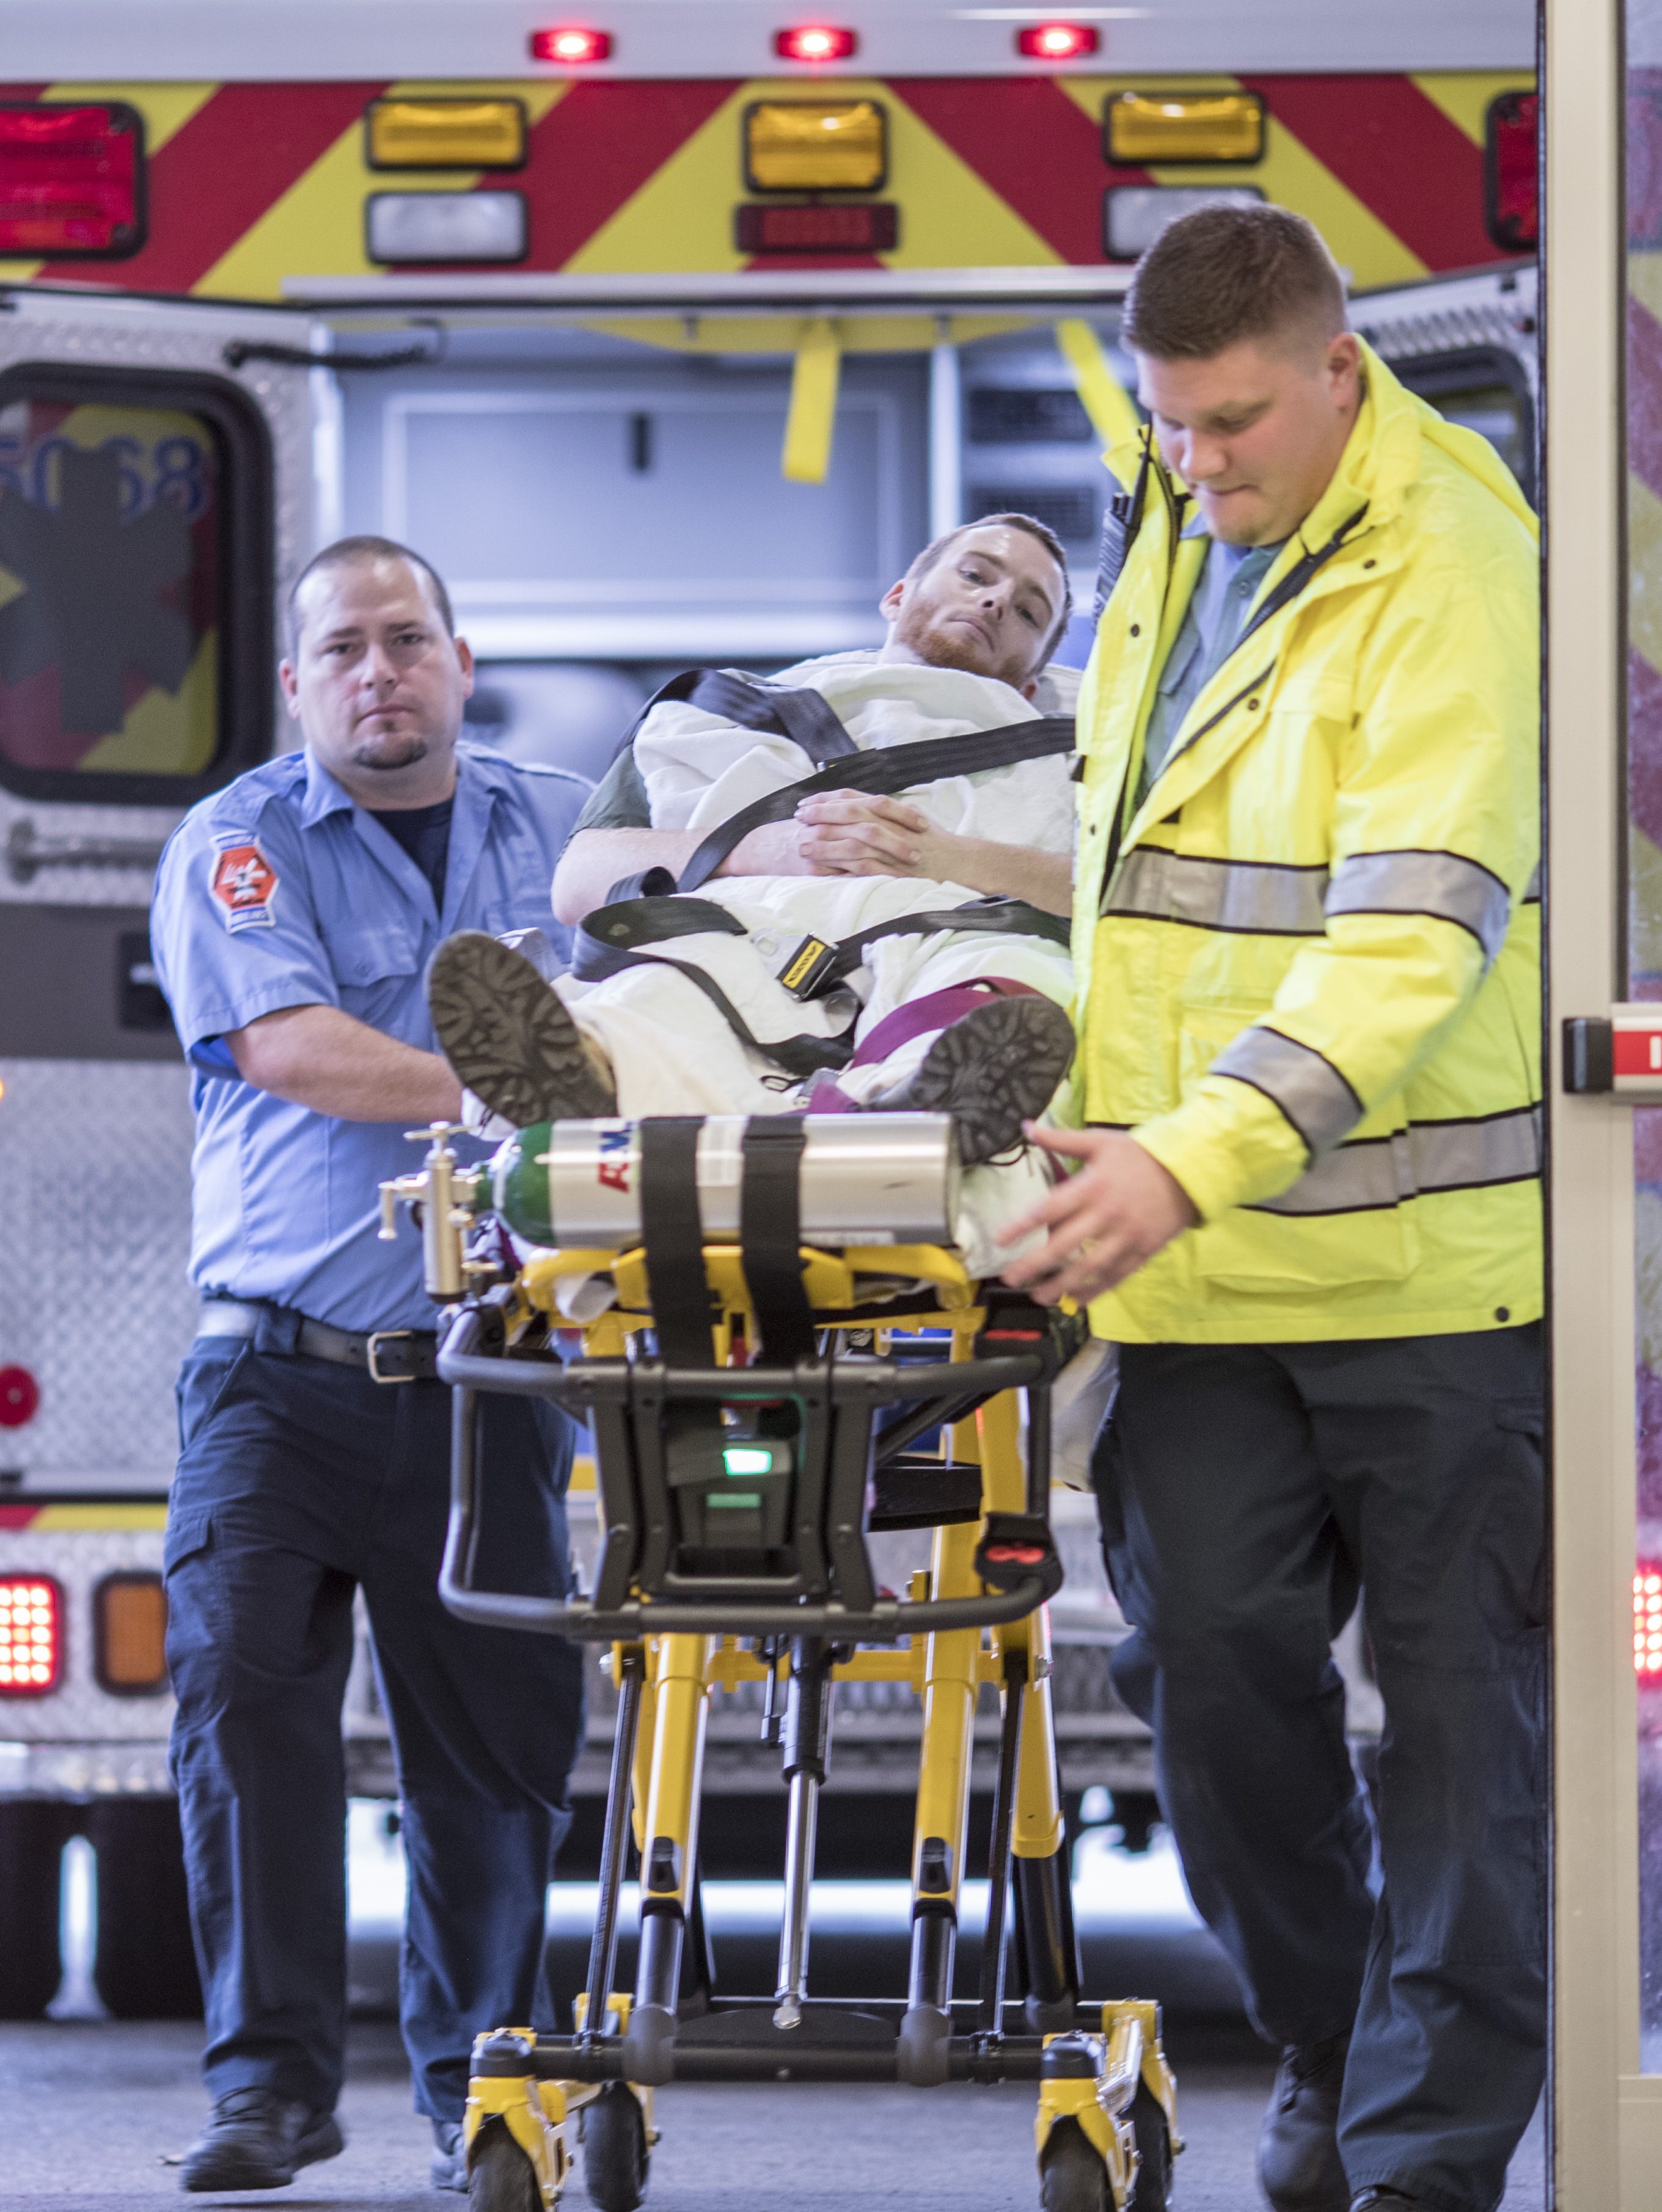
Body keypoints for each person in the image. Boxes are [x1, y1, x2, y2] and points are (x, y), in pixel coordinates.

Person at [994, 204, 1546, 2212]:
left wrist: (1175, 1154)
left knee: (1467, 1740)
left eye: (1232, 425)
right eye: (1167, 429)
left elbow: (1407, 950)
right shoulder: (1183, 534)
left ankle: (1421, 2160)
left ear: (1338, 373)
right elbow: (1132, 871)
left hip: (1427, 1281)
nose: (1199, 465)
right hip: (1199, 1276)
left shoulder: (1457, 569)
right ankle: (1331, 2027)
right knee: (1210, 1677)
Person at [148, 535, 589, 2197]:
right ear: (299, 683)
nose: (379, 670)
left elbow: (693, 952)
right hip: (276, 1376)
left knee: (489, 1755)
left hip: (492, 1378)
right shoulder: (240, 846)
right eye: (345, 646)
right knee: (248, 1712)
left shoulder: (562, 830)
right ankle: (268, 2091)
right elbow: (290, 1048)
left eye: (409, 639)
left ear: (462, 664)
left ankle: (486, 2087)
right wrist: (498, 1090)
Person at [423, 514, 1083, 1224]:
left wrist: (943, 857)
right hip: (750, 930)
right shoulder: (718, 714)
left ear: (1032, 679)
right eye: (977, 575)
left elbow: (1108, 896)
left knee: (1000, 988)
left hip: (951, 931)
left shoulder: (1079, 756)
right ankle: (583, 1072)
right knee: (663, 983)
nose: (994, 603)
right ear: (897, 594)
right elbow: (580, 885)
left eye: (1027, 610)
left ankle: (914, 1104)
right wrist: (757, 849)